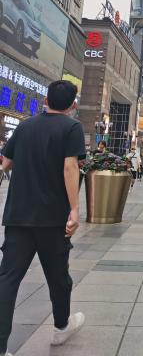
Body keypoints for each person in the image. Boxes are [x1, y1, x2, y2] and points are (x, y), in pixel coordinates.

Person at [0, 80, 85, 355]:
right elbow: (70, 167)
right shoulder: (71, 128)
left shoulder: (25, 126)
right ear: (73, 104)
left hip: (18, 216)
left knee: (7, 280)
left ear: (46, 100)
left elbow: (6, 163)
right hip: (52, 218)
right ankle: (61, 328)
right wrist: (75, 209)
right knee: (58, 277)